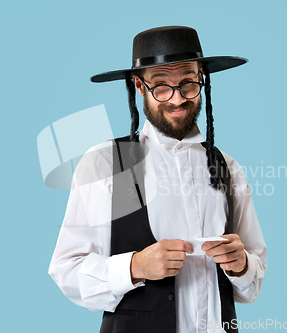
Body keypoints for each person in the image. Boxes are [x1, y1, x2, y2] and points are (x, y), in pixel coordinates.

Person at [48, 26, 267, 333]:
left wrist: (241, 264)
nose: (177, 99)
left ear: (202, 79)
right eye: (161, 86)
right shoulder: (111, 164)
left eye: (188, 83)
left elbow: (252, 285)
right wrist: (134, 267)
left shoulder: (227, 167)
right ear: (139, 86)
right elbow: (66, 271)